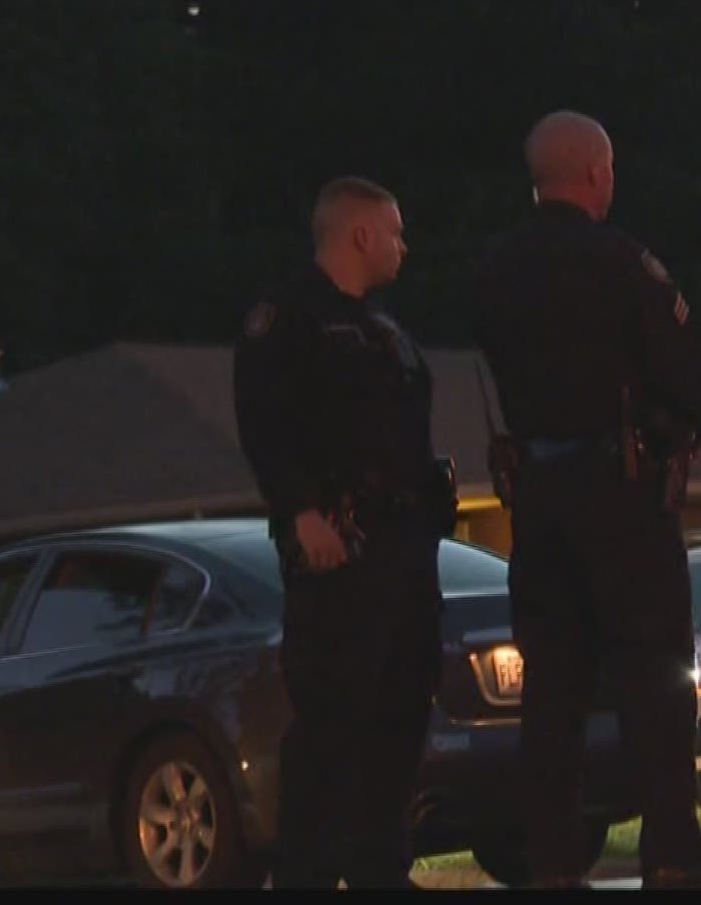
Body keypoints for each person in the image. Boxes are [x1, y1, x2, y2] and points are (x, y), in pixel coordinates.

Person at [472, 111, 701, 891]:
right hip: (621, 491)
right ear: (598, 173)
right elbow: (685, 376)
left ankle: (552, 865)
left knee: (553, 686)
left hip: (536, 497)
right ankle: (671, 855)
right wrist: (676, 429)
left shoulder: (495, 267)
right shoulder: (621, 261)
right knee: (655, 672)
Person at [232, 175, 458, 890]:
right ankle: (305, 873)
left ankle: (379, 867)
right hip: (339, 546)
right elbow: (264, 425)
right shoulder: (289, 319)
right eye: (394, 231)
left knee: (400, 709)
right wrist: (298, 510)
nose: (404, 245)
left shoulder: (385, 330)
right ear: (359, 234)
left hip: (404, 549)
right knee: (334, 719)